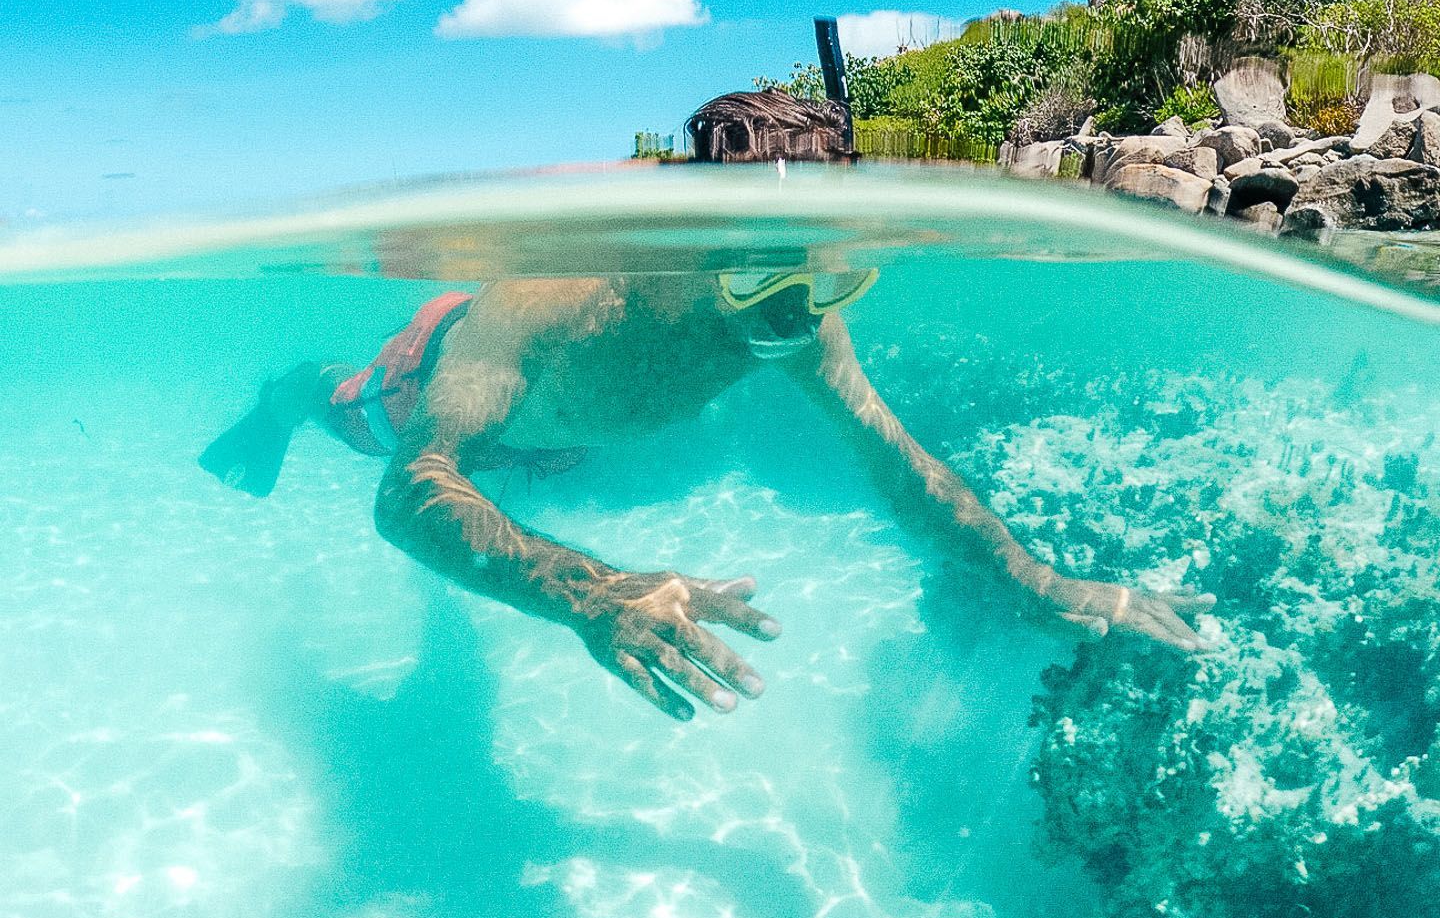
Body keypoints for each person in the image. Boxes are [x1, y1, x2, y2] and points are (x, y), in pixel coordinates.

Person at [201, 251, 1212, 723]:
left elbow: (894, 462)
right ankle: (275, 396)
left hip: (551, 441)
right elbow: (409, 485)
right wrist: (595, 595)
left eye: (824, 287)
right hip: (424, 396)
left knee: (519, 486)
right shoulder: (549, 302)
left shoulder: (796, 312)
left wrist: (1041, 581)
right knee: (332, 403)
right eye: (755, 283)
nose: (785, 319)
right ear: (685, 249)